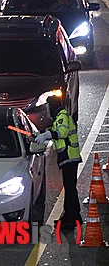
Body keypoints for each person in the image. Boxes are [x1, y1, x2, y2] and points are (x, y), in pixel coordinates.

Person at [35, 95, 82, 230]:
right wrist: (44, 133)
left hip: (69, 157)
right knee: (70, 188)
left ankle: (71, 217)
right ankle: (73, 215)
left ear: (52, 107)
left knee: (70, 188)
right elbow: (56, 129)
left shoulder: (62, 116)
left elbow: (62, 132)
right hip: (67, 158)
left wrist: (47, 135)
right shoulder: (60, 116)